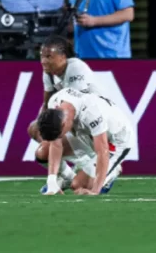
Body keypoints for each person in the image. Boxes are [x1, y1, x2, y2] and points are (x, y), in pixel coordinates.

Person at [26, 34, 112, 193]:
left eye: (49, 56)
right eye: (41, 56)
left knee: (79, 186)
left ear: (63, 56)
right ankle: (66, 175)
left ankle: (103, 168)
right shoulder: (48, 73)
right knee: (37, 131)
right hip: (73, 123)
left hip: (92, 125)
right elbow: (47, 104)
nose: (43, 60)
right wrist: (41, 124)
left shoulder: (75, 68)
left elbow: (74, 112)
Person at [38, 87, 133, 196]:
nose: (58, 138)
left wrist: (95, 191)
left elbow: (103, 152)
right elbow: (56, 144)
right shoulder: (54, 103)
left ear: (64, 124)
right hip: (87, 135)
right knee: (42, 152)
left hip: (115, 141)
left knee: (79, 186)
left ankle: (112, 172)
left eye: (58, 135)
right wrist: (51, 181)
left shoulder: (91, 113)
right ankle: (68, 177)